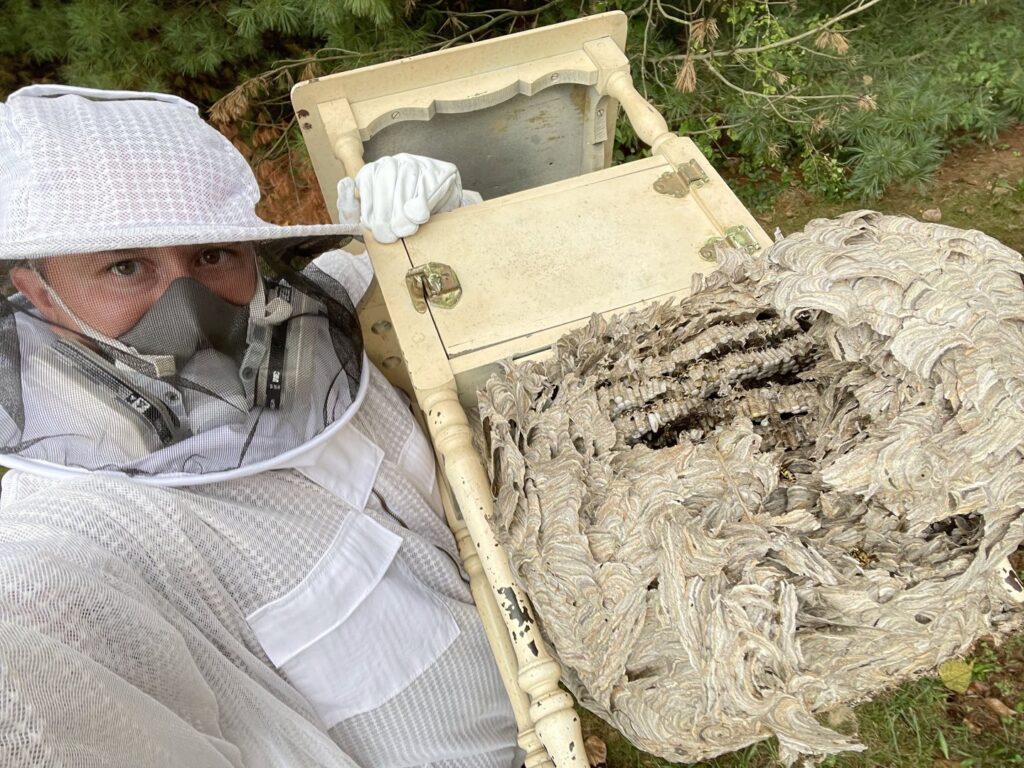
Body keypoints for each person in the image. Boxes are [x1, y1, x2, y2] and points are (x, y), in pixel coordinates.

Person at [0, 85, 519, 766]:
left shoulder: (315, 324)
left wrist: (449, 220)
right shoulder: (72, 532)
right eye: (125, 266)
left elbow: (458, 276)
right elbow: (35, 650)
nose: (186, 305)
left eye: (212, 254)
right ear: (38, 291)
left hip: (551, 691)